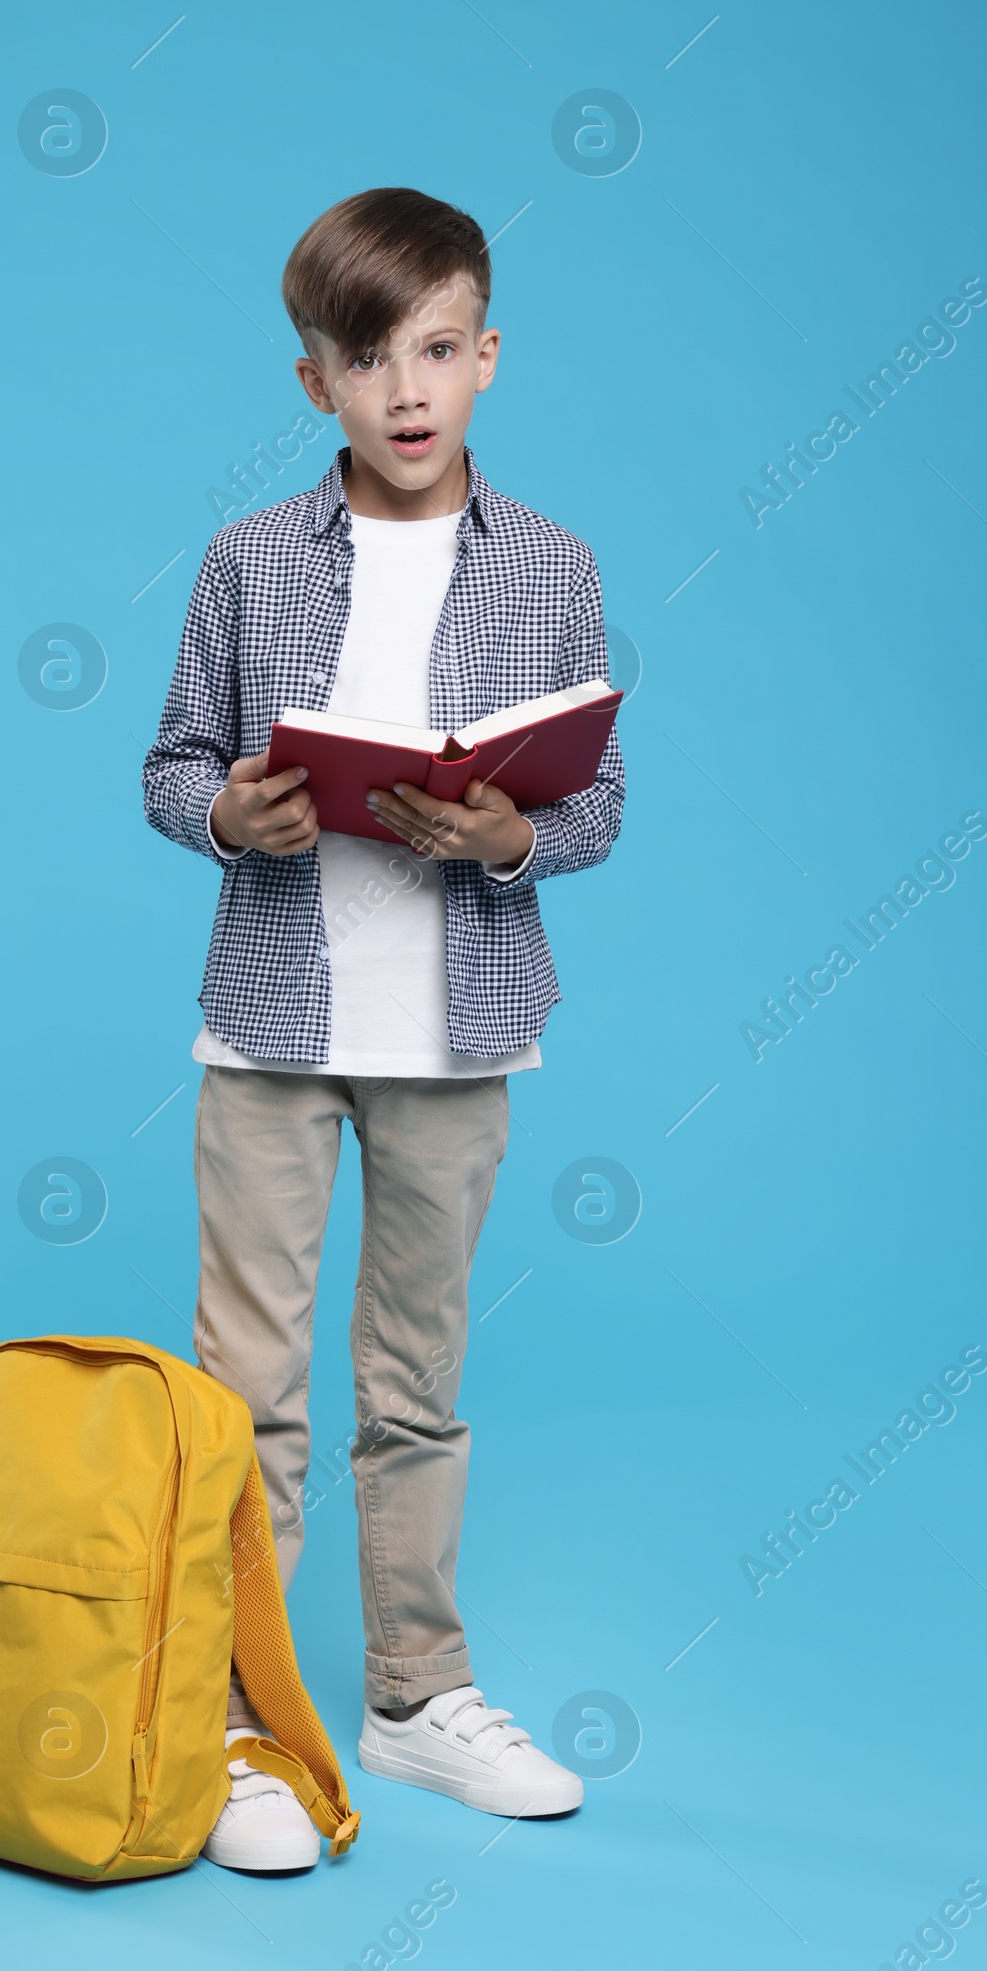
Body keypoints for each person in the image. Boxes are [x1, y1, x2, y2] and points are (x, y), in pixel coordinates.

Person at [142, 187, 625, 1869]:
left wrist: (517, 839)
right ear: (315, 385)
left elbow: (599, 802)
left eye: (437, 349)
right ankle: (238, 1722)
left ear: (486, 358)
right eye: (369, 359)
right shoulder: (247, 561)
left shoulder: (551, 565)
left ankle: (414, 1699)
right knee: (246, 1394)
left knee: (413, 1387)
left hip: (460, 1023)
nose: (407, 388)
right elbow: (171, 765)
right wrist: (233, 820)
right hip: (271, 1019)